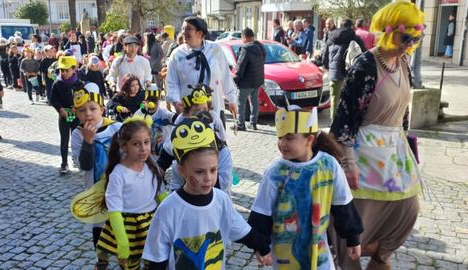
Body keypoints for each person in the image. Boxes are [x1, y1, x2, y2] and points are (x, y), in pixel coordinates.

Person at [330, 1, 424, 269]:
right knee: (356, 221)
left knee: (409, 208)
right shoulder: (366, 65)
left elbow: (403, 115)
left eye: (416, 39)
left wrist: (407, 148)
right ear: (389, 31)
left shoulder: (403, 63)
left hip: (394, 156)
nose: (410, 44)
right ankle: (350, 262)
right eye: (406, 37)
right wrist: (347, 162)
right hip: (363, 156)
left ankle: (380, 257)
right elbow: (344, 119)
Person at [142, 117, 272, 269]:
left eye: (213, 170)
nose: (208, 178)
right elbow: (157, 258)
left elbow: (243, 231)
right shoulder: (168, 209)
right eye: (199, 172)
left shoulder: (221, 200)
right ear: (181, 170)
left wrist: (263, 248)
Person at [248, 106, 363, 269]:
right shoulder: (275, 172)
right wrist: (260, 245)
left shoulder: (328, 165)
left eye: (289, 138)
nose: (282, 143)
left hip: (319, 250)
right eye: (280, 137)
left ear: (309, 140)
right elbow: (262, 211)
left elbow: (343, 203)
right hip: (285, 254)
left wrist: (352, 238)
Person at [93, 116, 165, 270]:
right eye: (136, 144)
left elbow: (161, 194)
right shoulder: (118, 174)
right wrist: (122, 242)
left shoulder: (151, 167)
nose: (144, 148)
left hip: (150, 224)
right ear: (124, 146)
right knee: (130, 266)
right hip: (129, 228)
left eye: (146, 142)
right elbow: (114, 210)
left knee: (152, 263)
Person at [70, 82, 123, 269]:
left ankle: (125, 259)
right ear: (76, 113)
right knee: (99, 229)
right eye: (82, 110)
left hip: (120, 189)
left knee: (121, 226)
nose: (88, 114)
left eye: (93, 108)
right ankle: (102, 261)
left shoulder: (117, 128)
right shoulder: (77, 134)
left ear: (102, 109)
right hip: (96, 191)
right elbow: (84, 165)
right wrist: (88, 141)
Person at [166, 16, 238, 127]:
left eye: (188, 29)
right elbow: (172, 82)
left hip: (214, 108)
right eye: (182, 29)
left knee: (216, 141)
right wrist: (176, 102)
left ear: (200, 33)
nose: (183, 32)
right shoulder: (177, 54)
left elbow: (225, 77)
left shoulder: (215, 49)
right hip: (188, 110)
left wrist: (232, 99)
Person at [157, 85, 229, 192]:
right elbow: (164, 160)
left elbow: (225, 182)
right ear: (185, 116)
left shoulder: (221, 150)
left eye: (204, 110)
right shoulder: (179, 139)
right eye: (196, 112)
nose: (201, 116)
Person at [322, 19, 366, 119]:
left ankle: (333, 121)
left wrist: (328, 67)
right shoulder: (355, 38)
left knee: (334, 97)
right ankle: (346, 120)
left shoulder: (331, 37)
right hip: (350, 73)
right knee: (350, 97)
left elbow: (324, 55)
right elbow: (363, 54)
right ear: (351, 26)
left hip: (334, 73)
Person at [50, 56, 85, 174]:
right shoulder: (58, 83)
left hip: (76, 115)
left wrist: (79, 108)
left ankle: (76, 158)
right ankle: (64, 163)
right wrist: (60, 109)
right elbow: (53, 99)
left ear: (73, 69)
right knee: (64, 139)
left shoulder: (79, 84)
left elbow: (84, 98)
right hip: (64, 115)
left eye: (66, 70)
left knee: (77, 138)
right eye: (61, 70)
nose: (63, 73)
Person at [233, 27, 265, 131]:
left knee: (241, 102)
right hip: (258, 80)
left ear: (244, 37)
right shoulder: (260, 47)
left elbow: (240, 66)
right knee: (254, 101)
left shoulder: (246, 49)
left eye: (242, 37)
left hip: (246, 81)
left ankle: (241, 124)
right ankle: (253, 123)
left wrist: (235, 79)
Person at [133, 86, 176, 157]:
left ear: (159, 101)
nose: (152, 103)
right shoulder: (139, 114)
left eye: (155, 101)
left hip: (163, 153)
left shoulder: (163, 113)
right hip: (145, 153)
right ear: (145, 101)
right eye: (150, 100)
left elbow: (174, 117)